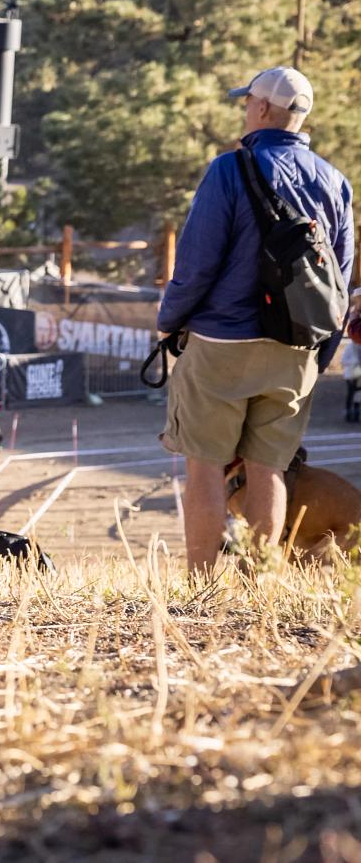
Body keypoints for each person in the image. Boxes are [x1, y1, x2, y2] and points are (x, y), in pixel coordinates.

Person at [158, 66, 354, 573]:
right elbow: (341, 278)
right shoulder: (336, 182)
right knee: (269, 469)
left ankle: (199, 586)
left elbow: (197, 263)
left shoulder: (229, 169)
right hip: (297, 349)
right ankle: (257, 584)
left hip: (223, 340)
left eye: (247, 102)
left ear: (262, 108)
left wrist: (170, 321)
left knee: (203, 468)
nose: (245, 109)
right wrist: (321, 352)